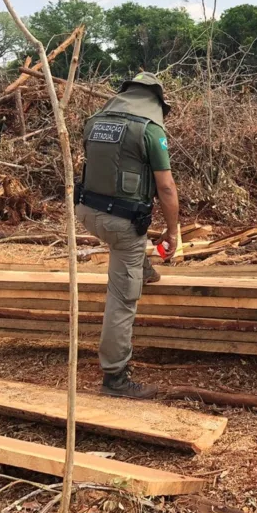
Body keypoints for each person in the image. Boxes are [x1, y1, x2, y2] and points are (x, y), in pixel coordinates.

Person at [75, 72, 179, 399]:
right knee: (122, 300)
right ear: (156, 101)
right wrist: (173, 231)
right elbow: (165, 187)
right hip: (122, 223)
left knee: (127, 242)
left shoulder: (95, 121)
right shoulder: (150, 130)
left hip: (87, 213)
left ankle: (141, 268)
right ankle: (115, 377)